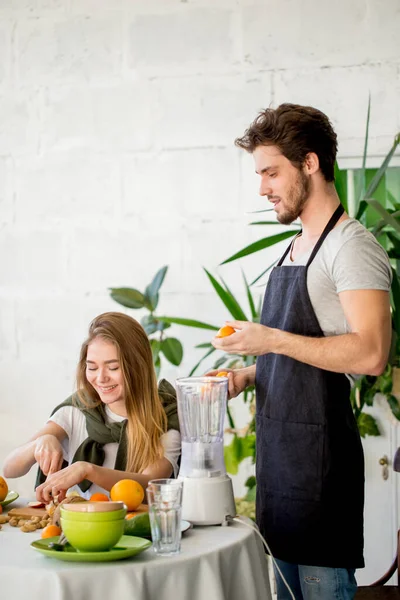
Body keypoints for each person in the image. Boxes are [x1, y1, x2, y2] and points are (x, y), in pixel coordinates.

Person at [211, 104, 392, 600]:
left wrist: (268, 339)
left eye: (272, 172)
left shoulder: (350, 247)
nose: (263, 187)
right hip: (281, 470)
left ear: (309, 163)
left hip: (319, 473)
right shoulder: (296, 246)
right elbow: (307, 352)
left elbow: (371, 353)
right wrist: (250, 372)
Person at [3, 312, 181, 503]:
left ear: (138, 367)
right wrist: (40, 443)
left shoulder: (165, 417)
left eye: (113, 368)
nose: (101, 378)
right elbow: (9, 469)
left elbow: (149, 487)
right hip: (77, 529)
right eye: (93, 367)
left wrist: (87, 470)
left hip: (134, 530)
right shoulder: (78, 409)